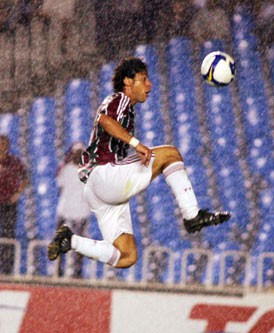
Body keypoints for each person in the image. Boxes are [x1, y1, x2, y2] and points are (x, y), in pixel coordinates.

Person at [48, 57, 231, 269]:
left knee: (127, 257)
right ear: (127, 82)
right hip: (105, 175)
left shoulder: (126, 107)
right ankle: (192, 216)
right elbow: (104, 121)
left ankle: (70, 240)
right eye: (143, 79)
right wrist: (136, 143)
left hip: (97, 190)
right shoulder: (120, 99)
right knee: (170, 154)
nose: (149, 85)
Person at [55, 142, 90, 278]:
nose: (78, 156)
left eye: (80, 153)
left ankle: (78, 271)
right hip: (65, 211)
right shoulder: (65, 169)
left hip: (81, 212)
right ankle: (58, 269)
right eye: (76, 153)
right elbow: (60, 185)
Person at [0, 134, 28, 275]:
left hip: (8, 203)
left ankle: (6, 269)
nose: (1, 147)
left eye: (4, 144)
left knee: (8, 235)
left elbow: (25, 177)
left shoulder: (14, 162)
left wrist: (18, 192)